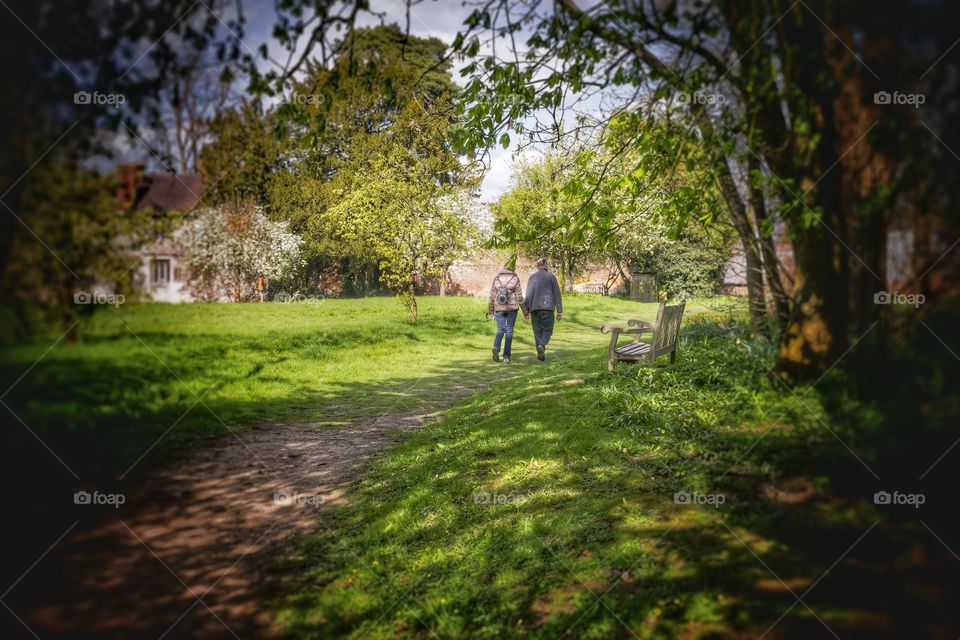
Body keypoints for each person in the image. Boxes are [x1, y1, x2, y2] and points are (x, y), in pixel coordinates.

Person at [487, 262, 528, 363]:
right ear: (513, 268)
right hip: (512, 308)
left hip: (499, 308)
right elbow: (519, 296)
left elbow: (492, 296)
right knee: (509, 330)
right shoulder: (515, 278)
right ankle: (506, 357)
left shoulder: (497, 278)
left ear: (504, 267)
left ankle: (496, 347)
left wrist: (490, 311)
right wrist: (525, 312)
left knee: (500, 329)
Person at [523, 258, 563, 361]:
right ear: (545, 265)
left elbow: (528, 295)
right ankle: (541, 345)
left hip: (535, 308)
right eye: (547, 264)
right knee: (548, 331)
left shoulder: (532, 278)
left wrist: (526, 312)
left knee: (537, 332)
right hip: (548, 308)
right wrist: (559, 311)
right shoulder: (551, 277)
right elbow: (557, 294)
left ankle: (540, 354)